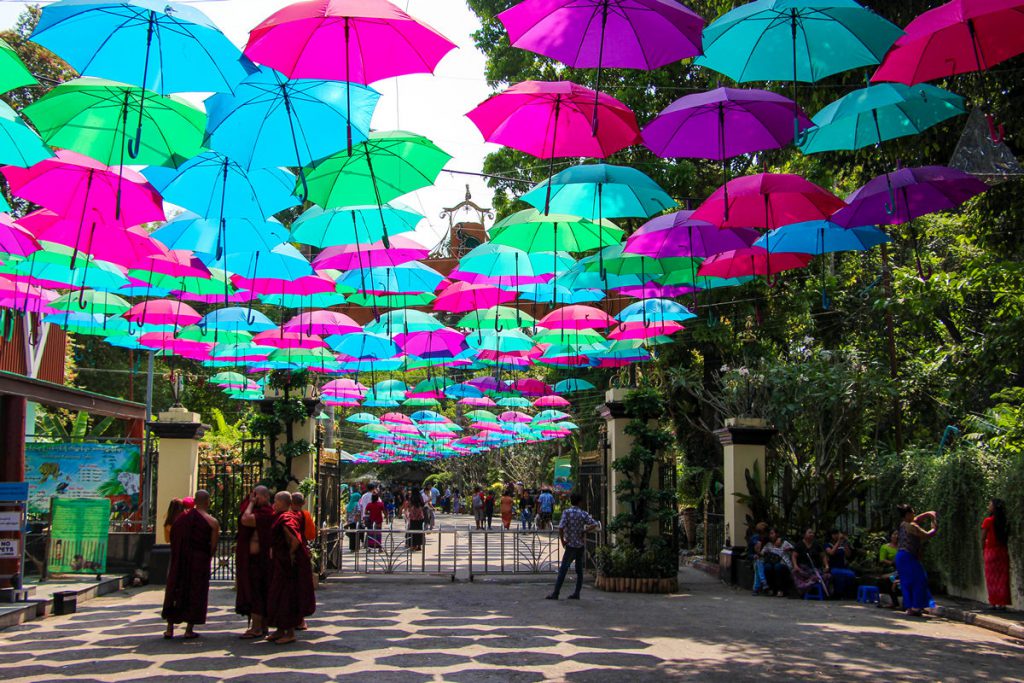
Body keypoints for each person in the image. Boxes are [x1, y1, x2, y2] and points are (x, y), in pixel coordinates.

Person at [162, 490, 219, 640]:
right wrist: (205, 557)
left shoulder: (181, 519)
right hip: (199, 562)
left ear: (194, 501)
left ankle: (169, 629)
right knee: (195, 592)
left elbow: (175, 541)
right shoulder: (212, 522)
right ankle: (189, 629)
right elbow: (213, 547)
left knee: (176, 589)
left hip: (179, 562)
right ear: (208, 502)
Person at [266, 492, 316, 644]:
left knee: (286, 597)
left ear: (282, 502)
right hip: (280, 562)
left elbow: (295, 540)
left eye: (276, 501)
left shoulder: (286, 517)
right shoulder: (284, 516)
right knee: (277, 595)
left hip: (287, 565)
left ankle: (290, 632)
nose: (274, 503)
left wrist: (289, 555)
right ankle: (280, 630)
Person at [237, 485, 275, 638]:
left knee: (257, 593)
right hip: (253, 560)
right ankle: (262, 626)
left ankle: (257, 627)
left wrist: (251, 503)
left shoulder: (266, 513)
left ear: (265, 497)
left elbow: (245, 520)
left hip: (261, 561)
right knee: (256, 592)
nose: (253, 498)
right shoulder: (259, 511)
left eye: (256, 496)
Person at [546, 491, 598, 600]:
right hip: (579, 545)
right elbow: (594, 524)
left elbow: (561, 527)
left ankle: (556, 593)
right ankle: (577, 593)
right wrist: (584, 532)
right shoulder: (583, 514)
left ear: (571, 501)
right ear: (580, 502)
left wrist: (562, 541)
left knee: (563, 570)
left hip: (570, 545)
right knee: (579, 571)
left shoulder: (567, 512)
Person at [895, 503, 937, 617]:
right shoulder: (912, 526)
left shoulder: (903, 524)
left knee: (907, 582)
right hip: (908, 557)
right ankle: (916, 606)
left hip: (901, 556)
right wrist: (934, 523)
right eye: (912, 512)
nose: (914, 514)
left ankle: (910, 606)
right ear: (908, 514)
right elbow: (928, 535)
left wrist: (927, 514)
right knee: (919, 580)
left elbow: (917, 518)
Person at [982, 498, 1011, 611]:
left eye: (990, 504)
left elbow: (983, 537)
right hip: (1002, 551)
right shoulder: (1005, 521)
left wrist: (982, 548)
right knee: (1003, 577)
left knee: (991, 577)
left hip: (991, 551)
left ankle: (993, 602)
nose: (988, 506)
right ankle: (1002, 603)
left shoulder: (988, 520)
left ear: (994, 507)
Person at [790, 528, 831, 597]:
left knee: (828, 576)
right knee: (794, 573)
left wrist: (826, 566)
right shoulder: (799, 544)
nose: (812, 534)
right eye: (809, 533)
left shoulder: (817, 544)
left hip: (815, 569)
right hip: (804, 569)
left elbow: (823, 556)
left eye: (812, 533)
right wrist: (795, 566)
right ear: (804, 535)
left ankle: (810, 583)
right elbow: (794, 556)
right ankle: (807, 585)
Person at [825, 529, 857, 599]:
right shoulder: (828, 544)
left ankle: (848, 594)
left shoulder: (842, 545)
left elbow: (848, 555)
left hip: (842, 567)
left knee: (851, 574)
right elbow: (831, 553)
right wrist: (839, 541)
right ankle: (838, 594)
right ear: (832, 535)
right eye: (835, 534)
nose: (837, 535)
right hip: (833, 567)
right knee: (838, 575)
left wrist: (845, 542)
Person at [761, 530, 792, 597]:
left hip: (783, 564)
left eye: (772, 533)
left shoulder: (784, 543)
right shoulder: (768, 544)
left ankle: (780, 590)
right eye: (770, 534)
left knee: (777, 567)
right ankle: (771, 588)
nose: (770, 535)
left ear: (777, 534)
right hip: (772, 563)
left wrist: (787, 548)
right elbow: (762, 553)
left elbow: (794, 547)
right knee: (767, 567)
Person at [877, 530, 901, 609]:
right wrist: (892, 562)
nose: (896, 536)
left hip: (901, 569)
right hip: (889, 568)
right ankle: (894, 602)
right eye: (894, 534)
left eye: (898, 534)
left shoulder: (901, 547)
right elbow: (882, 559)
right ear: (891, 536)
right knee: (889, 579)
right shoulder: (885, 547)